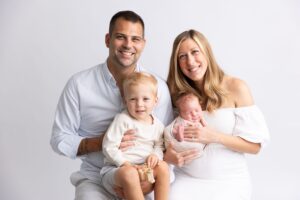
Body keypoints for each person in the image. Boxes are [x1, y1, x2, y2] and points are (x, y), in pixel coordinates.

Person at [50, 10, 173, 200]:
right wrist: (100, 142)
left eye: (135, 39)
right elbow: (59, 139)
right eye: (120, 37)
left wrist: (149, 180)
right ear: (108, 40)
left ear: (143, 44)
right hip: (96, 178)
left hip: (145, 175)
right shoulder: (79, 84)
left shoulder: (158, 88)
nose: (128, 45)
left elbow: (164, 141)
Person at [163, 29, 270, 200]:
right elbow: (160, 135)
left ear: (206, 52)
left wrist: (214, 136)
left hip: (229, 182)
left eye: (194, 52)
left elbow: (255, 147)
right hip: (186, 179)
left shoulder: (236, 87)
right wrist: (166, 155)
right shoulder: (174, 94)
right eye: (182, 56)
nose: (190, 61)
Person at [101, 72, 169, 200]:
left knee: (163, 168)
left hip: (144, 170)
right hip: (117, 171)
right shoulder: (123, 120)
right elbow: (108, 146)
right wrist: (124, 163)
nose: (139, 104)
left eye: (146, 99)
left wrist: (155, 155)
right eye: (133, 99)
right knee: (130, 174)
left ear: (155, 101)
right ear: (125, 101)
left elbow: (160, 145)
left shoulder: (158, 125)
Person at [164, 91, 206, 156]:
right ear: (181, 114)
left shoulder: (200, 116)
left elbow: (204, 125)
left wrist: (204, 123)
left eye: (196, 110)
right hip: (183, 140)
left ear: (200, 106)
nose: (194, 114)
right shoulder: (182, 121)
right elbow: (173, 130)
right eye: (189, 113)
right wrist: (179, 134)